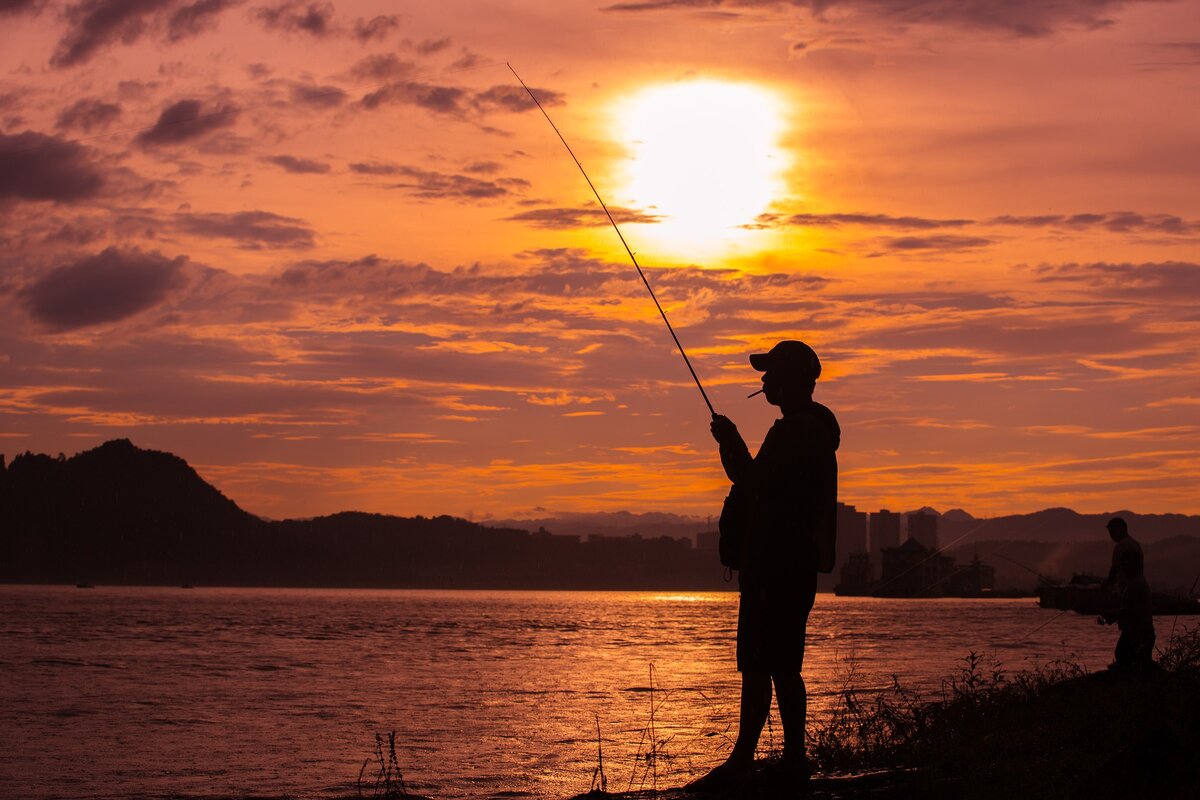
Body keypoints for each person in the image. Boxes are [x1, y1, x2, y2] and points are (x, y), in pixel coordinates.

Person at [689, 340, 839, 792]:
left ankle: (745, 763)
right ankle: (789, 759)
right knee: (780, 663)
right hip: (787, 566)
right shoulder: (807, 430)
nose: (764, 380)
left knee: (761, 664)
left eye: (772, 372)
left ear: (795, 380)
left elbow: (755, 482)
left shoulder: (797, 431)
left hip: (777, 566)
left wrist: (730, 441)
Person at [1098, 544, 1156, 671]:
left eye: (1126, 564)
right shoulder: (1134, 583)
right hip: (1137, 632)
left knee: (1130, 662)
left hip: (1140, 633)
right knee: (1128, 659)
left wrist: (1111, 615)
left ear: (1136, 565)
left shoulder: (1136, 584)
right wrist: (1111, 617)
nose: (1123, 568)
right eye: (1123, 565)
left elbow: (1130, 611)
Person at [1100, 516, 1143, 591]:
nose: (1111, 535)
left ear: (1120, 530)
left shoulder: (1121, 545)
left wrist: (1107, 583)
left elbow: (1115, 569)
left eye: (1112, 532)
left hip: (1129, 589)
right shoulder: (1134, 543)